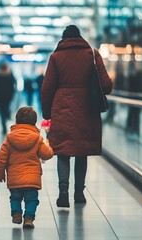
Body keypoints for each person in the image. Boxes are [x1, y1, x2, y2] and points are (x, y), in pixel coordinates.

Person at [41, 25, 113, 207]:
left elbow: (47, 87)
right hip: (87, 109)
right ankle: (79, 193)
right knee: (82, 151)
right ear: (80, 38)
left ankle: (63, 192)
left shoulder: (56, 57)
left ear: (63, 39)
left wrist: (47, 113)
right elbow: (107, 86)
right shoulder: (93, 55)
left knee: (63, 151)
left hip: (62, 108)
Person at [0, 106, 54, 228]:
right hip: (32, 179)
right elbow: (47, 155)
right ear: (34, 122)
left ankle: (16, 214)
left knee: (15, 198)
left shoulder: (9, 139)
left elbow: (1, 158)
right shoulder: (37, 139)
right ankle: (28, 219)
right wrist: (49, 145)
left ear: (17, 121)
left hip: (15, 178)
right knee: (32, 200)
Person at [0, 62, 16, 134]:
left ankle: (4, 126)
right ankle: (6, 116)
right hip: (7, 97)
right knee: (5, 109)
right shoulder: (9, 75)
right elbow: (13, 85)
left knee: (1, 111)